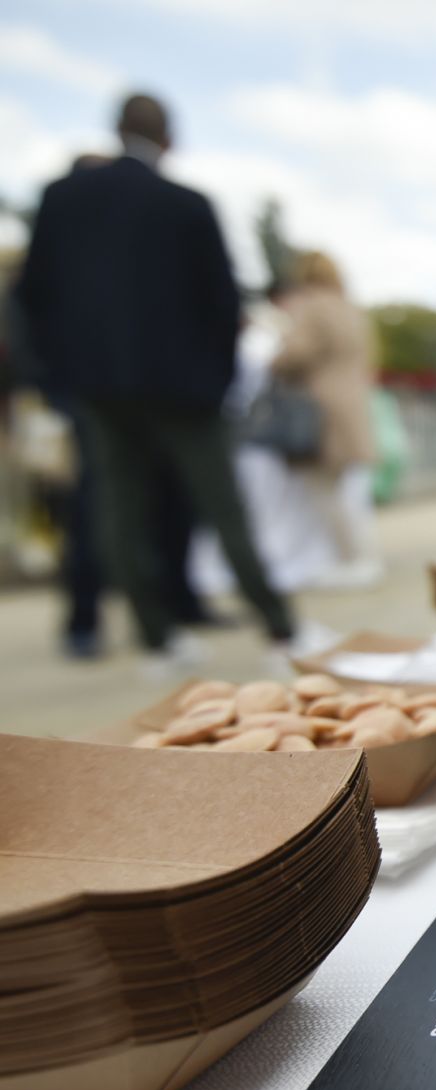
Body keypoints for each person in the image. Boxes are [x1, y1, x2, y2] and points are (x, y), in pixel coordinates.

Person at [15, 92, 297, 675]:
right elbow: (223, 303)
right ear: (168, 137)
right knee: (221, 505)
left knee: (116, 510)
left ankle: (156, 638)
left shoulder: (62, 199)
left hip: (97, 385)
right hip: (184, 386)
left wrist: (58, 374)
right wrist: (217, 379)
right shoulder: (185, 204)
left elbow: (33, 294)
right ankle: (280, 628)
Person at [272, 250, 382, 586]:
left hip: (321, 408)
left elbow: (296, 354)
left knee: (323, 491)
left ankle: (352, 560)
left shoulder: (312, 307)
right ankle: (355, 556)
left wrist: (275, 359)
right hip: (352, 406)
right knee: (338, 491)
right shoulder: (351, 309)